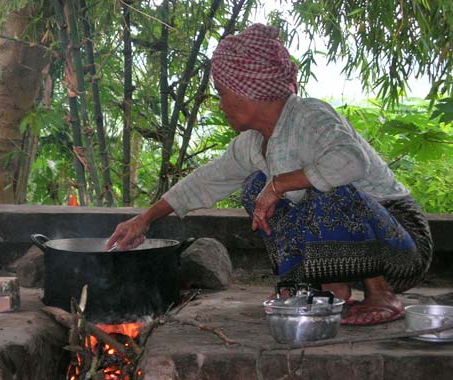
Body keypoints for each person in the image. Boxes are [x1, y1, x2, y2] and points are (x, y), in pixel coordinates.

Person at [105, 24, 433, 326]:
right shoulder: (252, 144)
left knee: (329, 190)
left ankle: (382, 294)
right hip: (365, 253)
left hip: (401, 248)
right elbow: (206, 181)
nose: (221, 104)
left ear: (251, 88)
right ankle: (325, 286)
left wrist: (279, 184)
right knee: (253, 187)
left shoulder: (309, 116)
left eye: (223, 92)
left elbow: (351, 161)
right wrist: (145, 219)